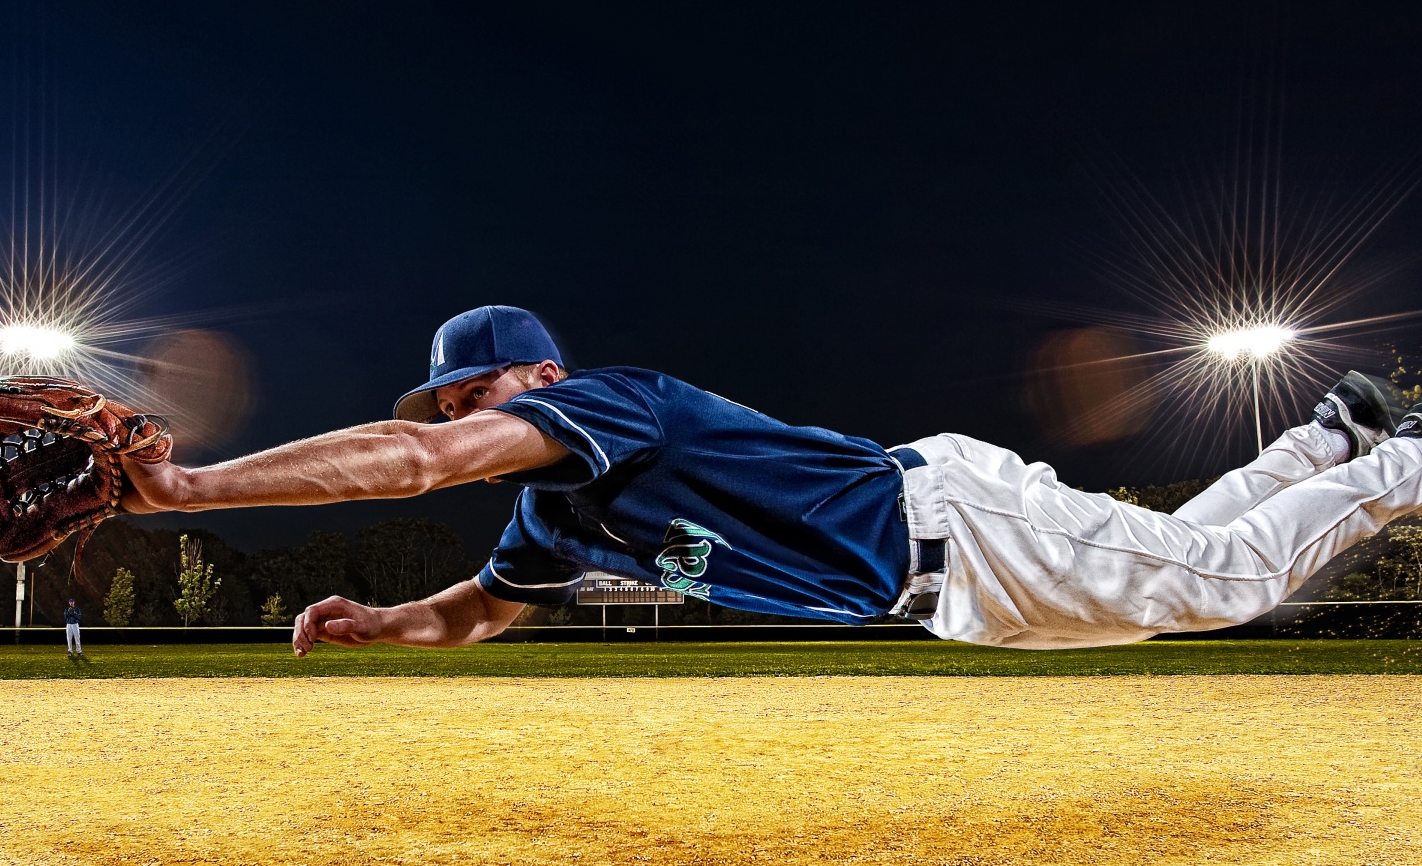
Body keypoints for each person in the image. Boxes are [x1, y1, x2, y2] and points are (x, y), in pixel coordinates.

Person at [120, 304, 1422, 654]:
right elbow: (481, 602)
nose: (466, 418)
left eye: (484, 393)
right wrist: (381, 623)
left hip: (950, 524)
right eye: (453, 401)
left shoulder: (609, 404)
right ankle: (1329, 441)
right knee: (1176, 585)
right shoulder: (557, 515)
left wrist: (186, 492)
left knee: (1222, 587)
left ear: (545, 375)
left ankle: (1398, 459)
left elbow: (412, 466)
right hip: (953, 589)